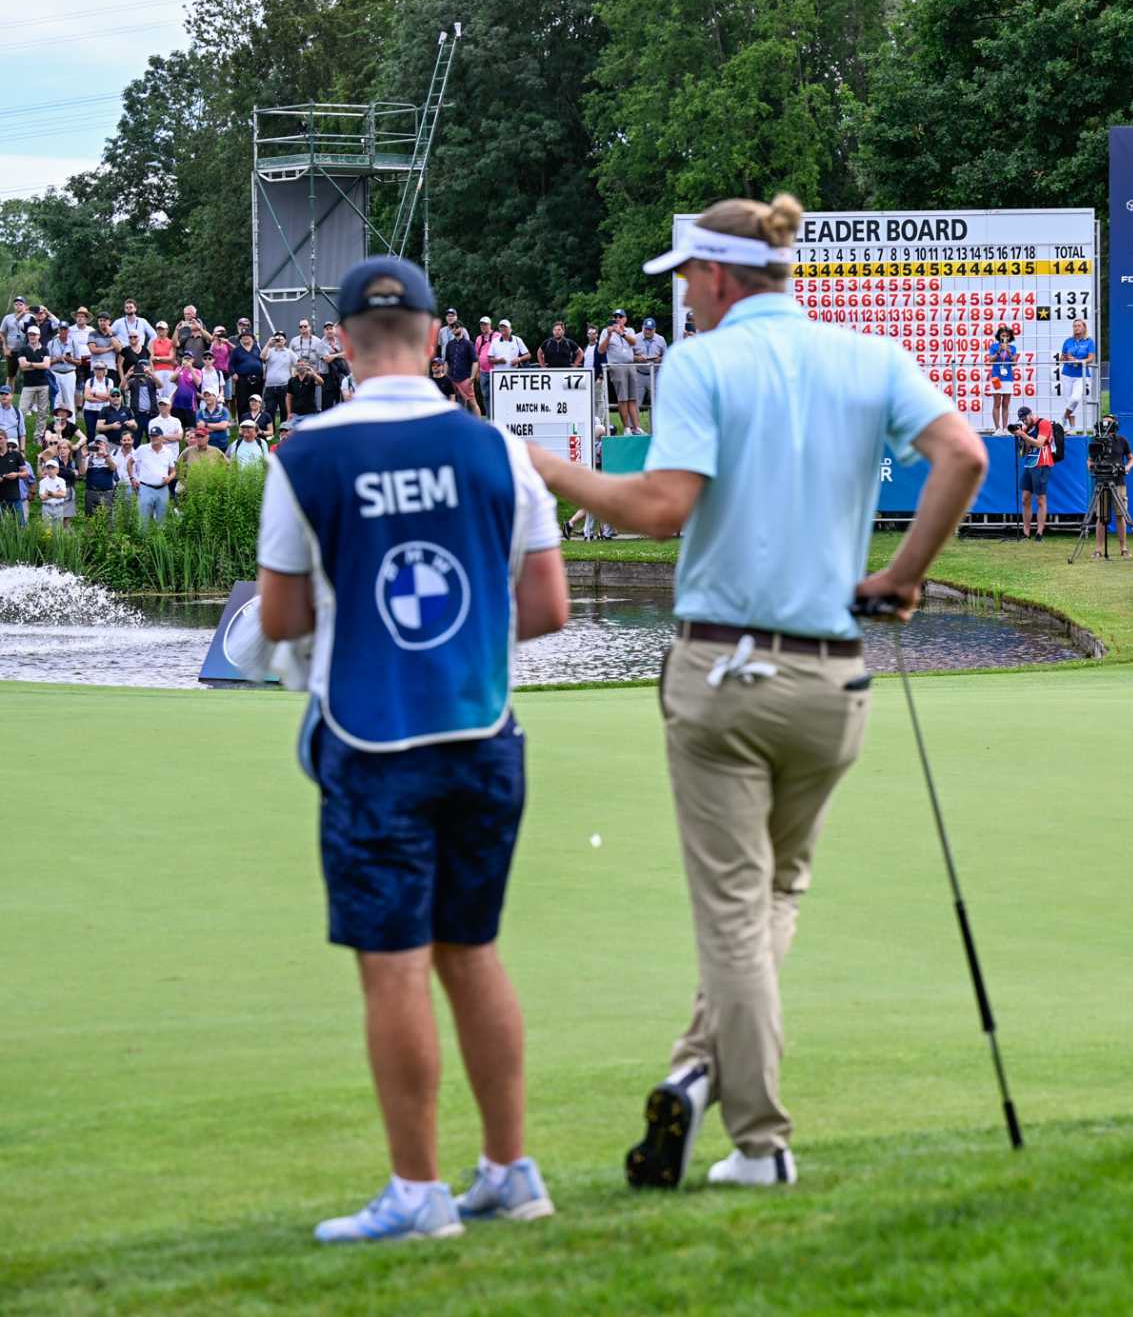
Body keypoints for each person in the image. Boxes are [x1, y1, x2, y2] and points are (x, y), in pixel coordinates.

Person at [522, 194, 986, 1193]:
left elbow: (659, 507)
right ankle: (693, 1072)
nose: (682, 296)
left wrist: (553, 469)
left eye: (686, 277)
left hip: (725, 675)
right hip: (833, 681)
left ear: (722, 277)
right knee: (776, 890)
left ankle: (761, 1143)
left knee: (734, 907)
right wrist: (903, 576)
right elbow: (963, 455)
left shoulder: (704, 362)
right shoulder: (867, 358)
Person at [251, 255, 568, 1242]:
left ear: (341, 345)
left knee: (392, 966)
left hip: (369, 742)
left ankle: (419, 1193)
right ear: (436, 339)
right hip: (482, 735)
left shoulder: (305, 455)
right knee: (471, 953)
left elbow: (279, 614)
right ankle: (511, 1171)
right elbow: (548, 609)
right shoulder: (498, 451)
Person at [1088, 413, 1133, 558]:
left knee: (1120, 515)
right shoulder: (1097, 441)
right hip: (1102, 481)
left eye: (1109, 423)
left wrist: (1127, 467)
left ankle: (1123, 548)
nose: (1106, 425)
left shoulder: (1122, 441)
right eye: (1104, 422)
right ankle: (1098, 549)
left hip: (1119, 482)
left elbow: (1131, 458)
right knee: (1101, 517)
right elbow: (1089, 460)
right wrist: (1091, 466)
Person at [1011, 404, 1056, 539]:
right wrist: (1020, 438)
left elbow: (1039, 443)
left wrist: (1023, 435)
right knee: (1025, 499)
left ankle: (1039, 532)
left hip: (1042, 463)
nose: (1024, 421)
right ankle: (1026, 532)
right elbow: (1023, 452)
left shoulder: (1044, 423)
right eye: (1022, 419)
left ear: (1031, 414)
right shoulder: (1027, 428)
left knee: (1041, 499)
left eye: (1025, 418)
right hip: (1029, 463)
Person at [601, 317, 640, 435]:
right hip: (617, 366)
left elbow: (634, 342)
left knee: (632, 398)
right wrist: (609, 335)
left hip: (630, 365)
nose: (617, 319)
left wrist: (621, 333)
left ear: (625, 319)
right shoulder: (605, 332)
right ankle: (627, 428)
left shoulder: (630, 330)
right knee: (622, 398)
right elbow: (601, 350)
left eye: (620, 317)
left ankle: (636, 427)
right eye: (615, 317)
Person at [131, 429, 176, 523]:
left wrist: (169, 478)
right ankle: (143, 538)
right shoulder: (142, 449)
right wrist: (132, 478)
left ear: (161, 437)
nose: (153, 438)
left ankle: (159, 537)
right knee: (143, 520)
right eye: (151, 436)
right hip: (145, 488)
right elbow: (130, 463)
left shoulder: (168, 452)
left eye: (156, 435)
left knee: (162, 520)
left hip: (162, 489)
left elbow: (173, 471)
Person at [1059, 317, 1096, 429]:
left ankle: (1063, 417)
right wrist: (1066, 358)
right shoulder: (1068, 341)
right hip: (1067, 374)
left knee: (1075, 398)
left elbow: (1091, 358)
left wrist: (1078, 361)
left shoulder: (1089, 341)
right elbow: (1061, 358)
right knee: (1069, 401)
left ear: (1084, 328)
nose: (1076, 328)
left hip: (1082, 375)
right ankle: (1072, 428)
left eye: (1079, 325)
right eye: (1075, 326)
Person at [985, 323, 1018, 434]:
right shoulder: (994, 347)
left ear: (1010, 337)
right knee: (997, 403)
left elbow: (1014, 363)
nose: (1005, 338)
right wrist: (999, 351)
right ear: (999, 336)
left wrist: (1008, 351)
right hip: (996, 378)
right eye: (1003, 335)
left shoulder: (1013, 348)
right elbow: (991, 360)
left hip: (1008, 378)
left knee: (1006, 404)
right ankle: (997, 428)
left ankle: (1005, 428)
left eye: (1007, 336)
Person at [635, 318, 668, 418]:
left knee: (657, 403)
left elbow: (667, 357)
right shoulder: (635, 338)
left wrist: (659, 359)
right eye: (646, 329)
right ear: (642, 328)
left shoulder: (661, 340)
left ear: (655, 330)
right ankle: (634, 429)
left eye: (650, 329)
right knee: (636, 402)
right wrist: (637, 358)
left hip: (655, 374)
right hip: (639, 374)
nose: (648, 331)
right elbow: (627, 356)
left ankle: (657, 429)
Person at [82, 435, 121, 512]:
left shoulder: (112, 457)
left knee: (107, 519)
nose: (98, 446)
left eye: (100, 444)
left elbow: (113, 468)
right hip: (91, 492)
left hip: (106, 493)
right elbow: (82, 472)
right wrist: (83, 457)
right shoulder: (89, 458)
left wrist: (105, 455)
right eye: (96, 444)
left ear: (106, 445)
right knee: (90, 519)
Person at [0, 433, 28, 525]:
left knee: (21, 526)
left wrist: (17, 474)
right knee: (3, 528)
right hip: (0, 498)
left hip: (14, 496)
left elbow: (25, 473)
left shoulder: (16, 455)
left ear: (6, 439)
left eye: (0, 438)